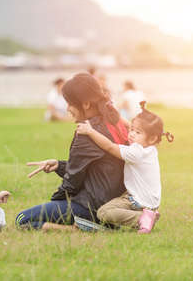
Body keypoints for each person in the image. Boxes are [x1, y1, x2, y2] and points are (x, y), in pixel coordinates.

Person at [16, 73, 128, 231]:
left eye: (69, 104)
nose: (67, 109)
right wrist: (59, 165)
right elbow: (99, 168)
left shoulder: (86, 132)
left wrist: (55, 202)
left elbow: (72, 182)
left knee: (22, 219)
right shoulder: (116, 123)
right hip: (116, 208)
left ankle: (79, 228)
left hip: (90, 208)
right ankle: (99, 224)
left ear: (86, 104)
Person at [76, 101, 174, 234]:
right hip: (148, 202)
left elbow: (110, 147)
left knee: (104, 212)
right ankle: (148, 216)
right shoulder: (150, 149)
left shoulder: (136, 153)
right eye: (131, 130)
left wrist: (90, 131)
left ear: (151, 138)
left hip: (137, 202)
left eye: (137, 132)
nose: (131, 134)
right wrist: (115, 114)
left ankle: (142, 219)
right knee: (110, 209)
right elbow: (131, 126)